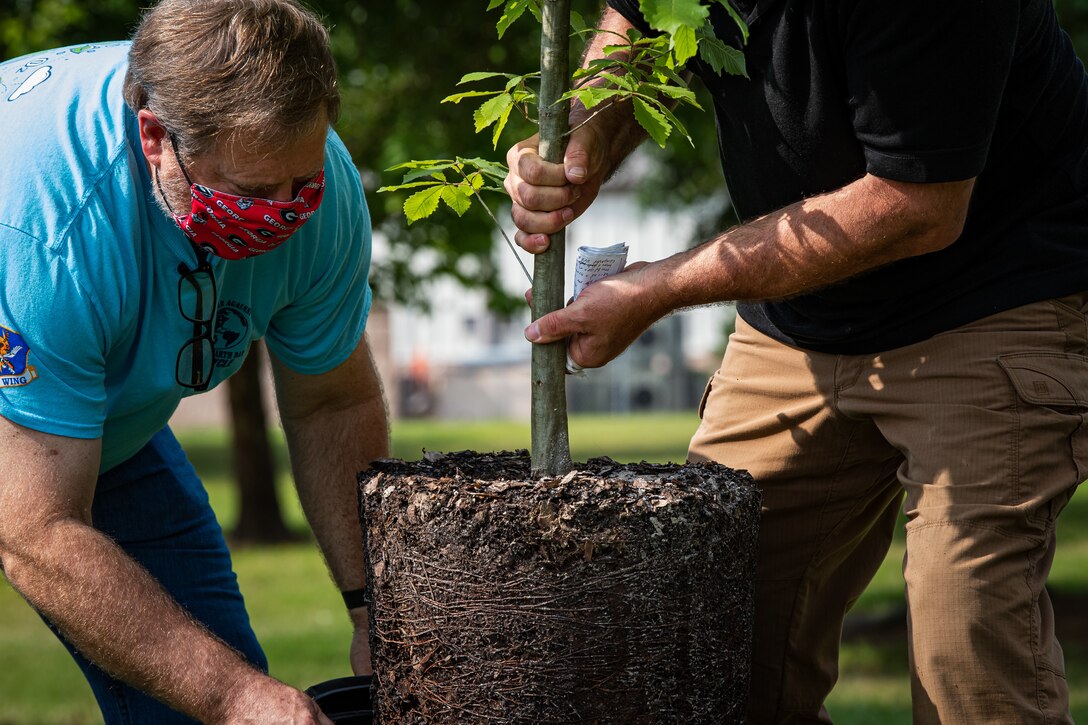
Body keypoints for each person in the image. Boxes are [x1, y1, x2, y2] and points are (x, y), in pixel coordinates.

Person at [506, 1, 1088, 722]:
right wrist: (587, 133)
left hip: (992, 298)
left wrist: (658, 288)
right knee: (703, 633)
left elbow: (917, 205)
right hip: (799, 320)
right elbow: (636, 23)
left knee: (966, 651)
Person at [0, 0, 387, 722]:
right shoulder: (44, 223)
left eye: (298, 184)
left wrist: (373, 611)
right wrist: (234, 695)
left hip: (103, 432)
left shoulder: (320, 192)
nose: (283, 214)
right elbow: (34, 528)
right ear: (155, 137)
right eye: (251, 194)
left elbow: (332, 399)